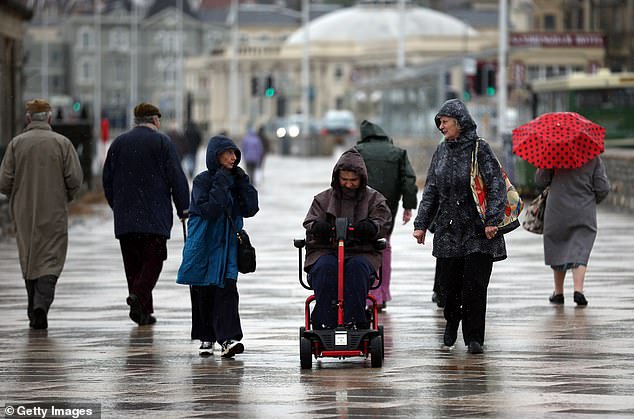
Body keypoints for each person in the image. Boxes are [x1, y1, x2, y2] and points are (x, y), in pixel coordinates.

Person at [412, 99, 507, 355]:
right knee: (448, 286)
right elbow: (430, 190)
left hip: (478, 230)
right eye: (439, 122)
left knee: (475, 286)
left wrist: (492, 221)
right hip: (448, 231)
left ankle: (475, 337)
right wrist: (421, 224)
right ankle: (452, 321)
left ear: (459, 122)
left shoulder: (481, 149)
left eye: (444, 121)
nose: (440, 126)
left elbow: (497, 186)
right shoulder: (440, 152)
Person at [102, 102, 190, 326]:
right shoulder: (162, 142)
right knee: (153, 260)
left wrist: (118, 205)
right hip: (155, 216)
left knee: (133, 265)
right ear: (155, 120)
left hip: (127, 218)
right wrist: (184, 208)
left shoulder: (119, 143)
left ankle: (143, 311)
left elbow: (107, 180)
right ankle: (139, 296)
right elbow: (176, 177)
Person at [0, 99, 83, 330]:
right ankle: (41, 304)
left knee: (29, 257)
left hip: (23, 211)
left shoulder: (16, 145)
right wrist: (67, 194)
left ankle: (33, 304)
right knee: (51, 258)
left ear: (28, 119)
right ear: (49, 118)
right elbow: (75, 179)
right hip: (54, 210)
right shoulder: (62, 144)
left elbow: (4, 182)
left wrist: (16, 194)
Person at [177, 135, 259, 358]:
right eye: (229, 153)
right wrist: (222, 180)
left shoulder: (236, 179)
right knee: (203, 289)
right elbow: (212, 208)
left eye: (235, 153)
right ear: (216, 156)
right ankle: (206, 336)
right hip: (204, 243)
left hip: (227, 245)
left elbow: (251, 208)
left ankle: (228, 338)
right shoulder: (202, 181)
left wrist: (243, 183)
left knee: (227, 289)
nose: (234, 157)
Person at [303, 148, 392, 329]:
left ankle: (355, 320)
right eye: (344, 180)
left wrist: (372, 227)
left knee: (356, 270)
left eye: (353, 180)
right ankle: (324, 321)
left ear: (361, 179)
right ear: (337, 178)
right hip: (326, 250)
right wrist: (319, 227)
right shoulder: (323, 199)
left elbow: (384, 221)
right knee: (325, 268)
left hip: (362, 252)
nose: (348, 184)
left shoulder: (374, 199)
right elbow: (309, 221)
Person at [355, 120, 418, 311]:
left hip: (360, 208)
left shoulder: (357, 151)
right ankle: (382, 294)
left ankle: (366, 295)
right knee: (384, 247)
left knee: (362, 248)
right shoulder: (397, 153)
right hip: (387, 208)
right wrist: (408, 206)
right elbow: (408, 181)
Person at [535, 158, 610, 306]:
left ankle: (558, 292)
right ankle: (578, 290)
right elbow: (603, 188)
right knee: (581, 247)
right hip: (583, 208)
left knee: (557, 245)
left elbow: (540, 180)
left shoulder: (553, 155)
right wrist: (592, 200)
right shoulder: (593, 158)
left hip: (557, 208)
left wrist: (544, 166)